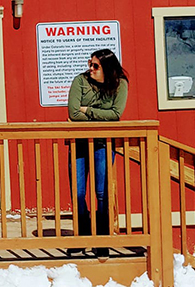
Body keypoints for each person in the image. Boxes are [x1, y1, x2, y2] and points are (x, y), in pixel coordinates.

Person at [66, 48, 128, 258]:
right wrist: (100, 117)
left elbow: (116, 114)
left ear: (107, 69)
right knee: (78, 192)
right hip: (78, 143)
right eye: (90, 64)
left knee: (102, 194)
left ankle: (101, 240)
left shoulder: (120, 84)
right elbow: (73, 113)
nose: (90, 69)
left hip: (103, 144)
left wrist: (88, 110)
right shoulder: (80, 81)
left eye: (95, 66)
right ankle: (84, 237)